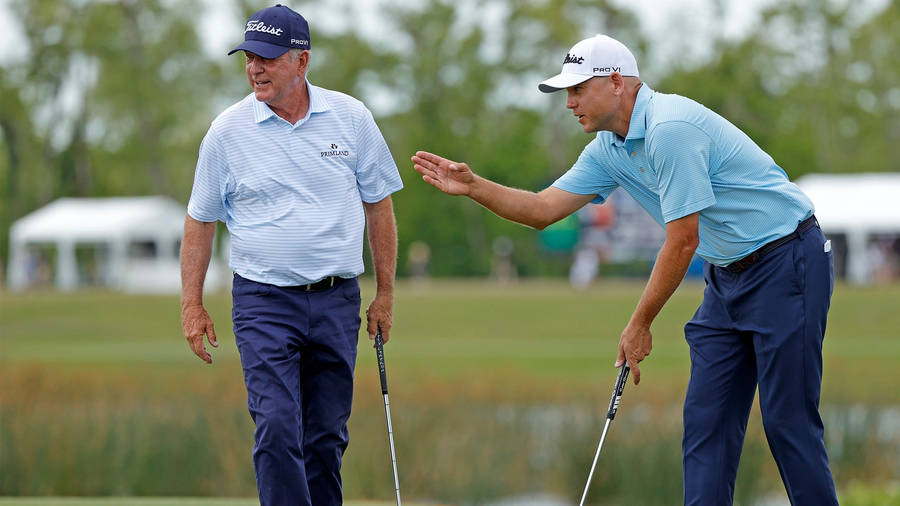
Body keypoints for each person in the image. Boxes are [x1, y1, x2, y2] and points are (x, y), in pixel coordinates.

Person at [412, 34, 837, 505]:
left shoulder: (669, 129)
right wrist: (474, 188)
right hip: (728, 274)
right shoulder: (608, 148)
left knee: (787, 422)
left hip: (787, 261)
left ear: (616, 82)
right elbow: (541, 209)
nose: (569, 103)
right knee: (706, 423)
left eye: (577, 90)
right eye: (566, 94)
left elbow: (682, 240)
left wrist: (640, 323)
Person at [180, 5, 403, 505]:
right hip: (263, 301)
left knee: (325, 439)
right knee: (278, 427)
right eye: (248, 57)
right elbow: (200, 220)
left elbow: (379, 204)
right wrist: (191, 305)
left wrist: (385, 294)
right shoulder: (227, 132)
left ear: (301, 61)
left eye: (267, 57)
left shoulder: (351, 118)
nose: (254, 68)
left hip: (336, 300)